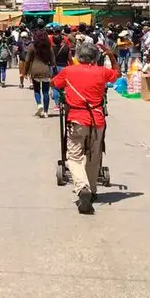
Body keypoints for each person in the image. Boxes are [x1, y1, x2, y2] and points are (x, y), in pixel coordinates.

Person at [52, 43, 119, 214]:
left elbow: (55, 83)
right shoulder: (102, 72)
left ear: (77, 56)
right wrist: (111, 55)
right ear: (96, 58)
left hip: (76, 118)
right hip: (96, 119)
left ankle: (83, 188)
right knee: (93, 156)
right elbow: (116, 74)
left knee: (74, 156)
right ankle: (93, 190)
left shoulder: (69, 71)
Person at [24, 30, 55, 118]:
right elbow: (53, 61)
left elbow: (27, 60)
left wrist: (25, 72)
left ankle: (39, 104)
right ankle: (45, 112)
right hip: (46, 70)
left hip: (35, 71)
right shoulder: (49, 47)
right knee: (45, 91)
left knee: (37, 90)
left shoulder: (32, 46)